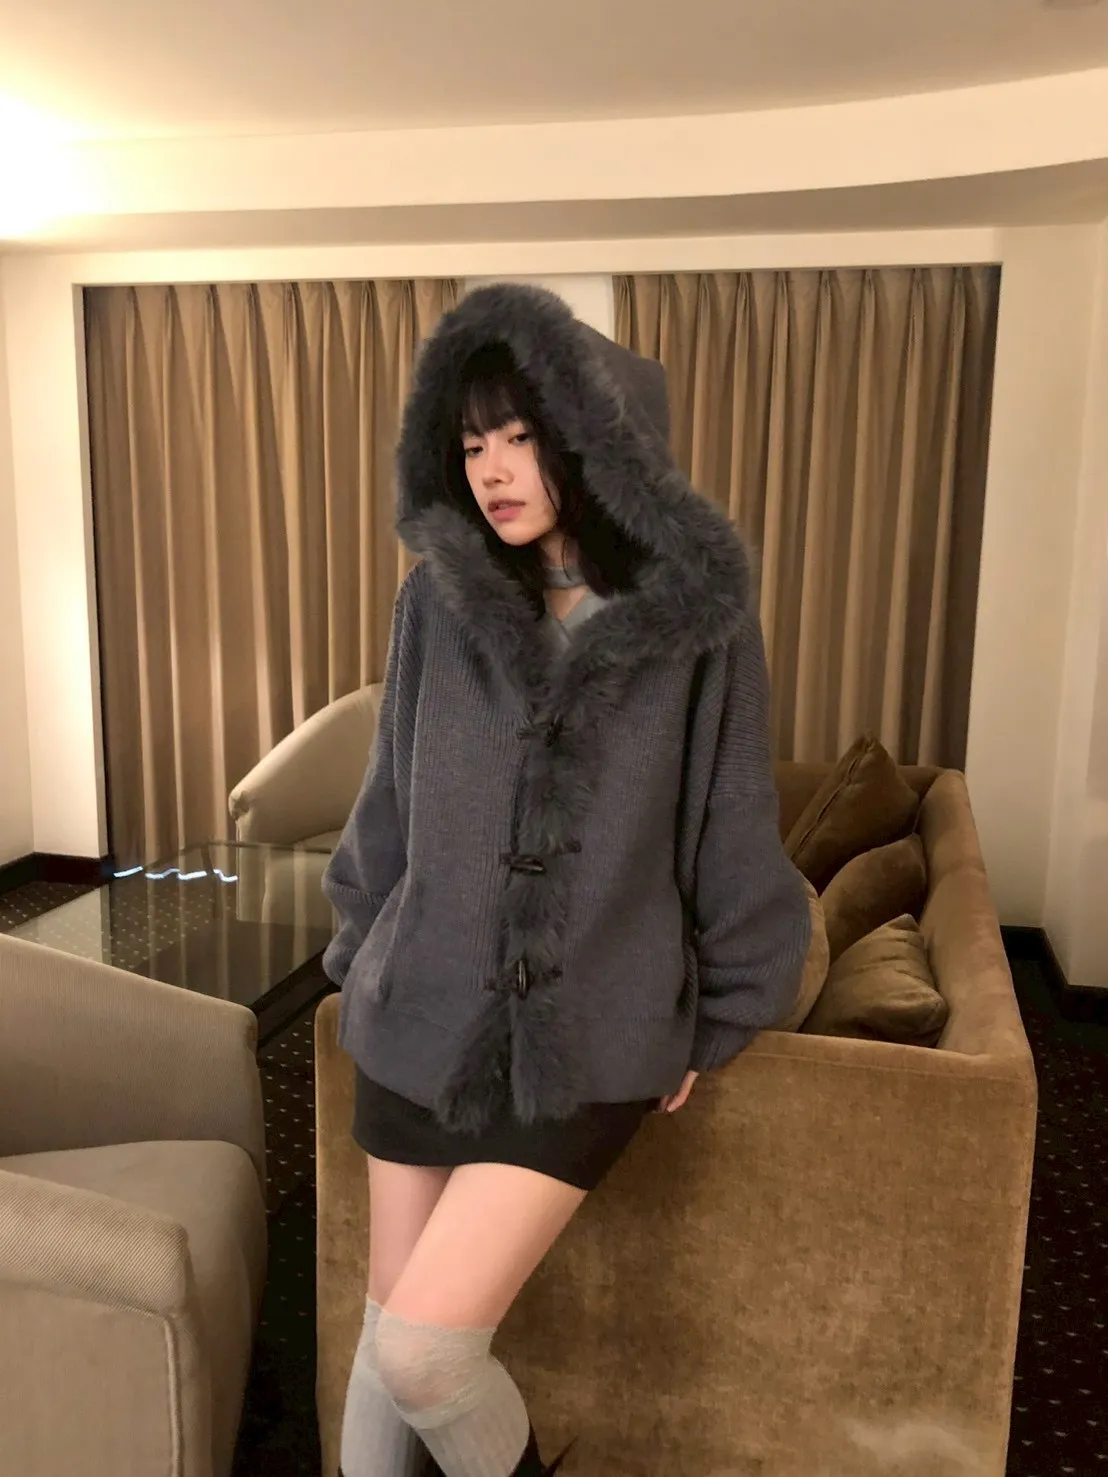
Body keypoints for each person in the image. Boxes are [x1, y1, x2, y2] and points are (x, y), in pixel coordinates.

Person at [322, 283, 811, 1477]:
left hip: (589, 1028)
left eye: (519, 435)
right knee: (385, 1337)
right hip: (419, 1006)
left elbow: (727, 823)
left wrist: (720, 1008)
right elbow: (391, 795)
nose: (491, 469)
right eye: (470, 442)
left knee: (427, 1356)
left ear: (595, 436)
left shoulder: (698, 622)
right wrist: (358, 950)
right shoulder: (436, 597)